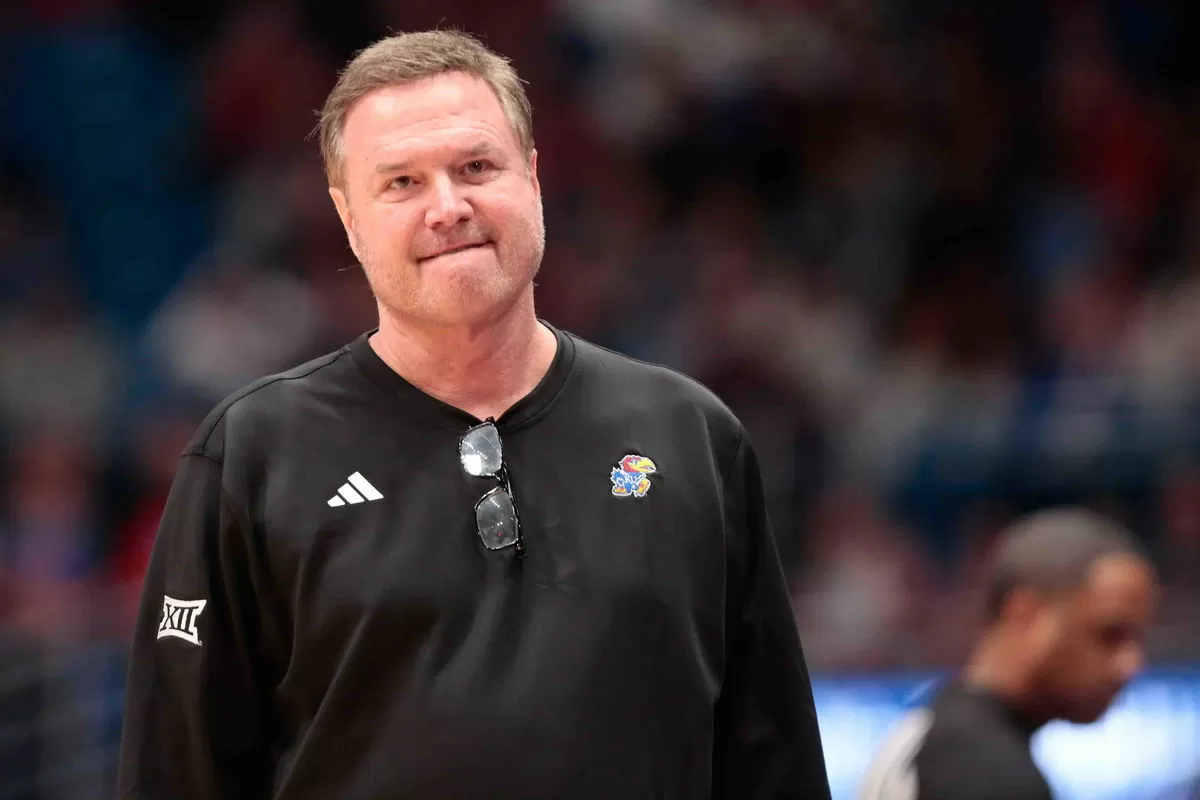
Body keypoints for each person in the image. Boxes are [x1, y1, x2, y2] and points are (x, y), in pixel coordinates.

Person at [115, 29, 830, 799]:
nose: (448, 207)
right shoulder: (254, 454)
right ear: (348, 218)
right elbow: (177, 775)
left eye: (476, 168)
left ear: (533, 177)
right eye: (402, 182)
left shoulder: (690, 436)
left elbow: (774, 768)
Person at [858, 507, 1159, 800]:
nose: (1130, 664)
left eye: (1137, 638)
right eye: (1109, 634)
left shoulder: (931, 730)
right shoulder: (986, 772)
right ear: (1024, 616)